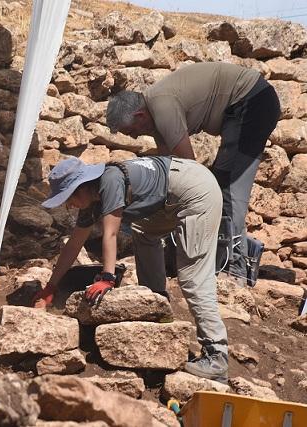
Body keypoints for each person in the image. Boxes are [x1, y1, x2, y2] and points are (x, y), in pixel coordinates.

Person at [34, 155, 228, 383]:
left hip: (196, 190)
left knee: (193, 275)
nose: (69, 205)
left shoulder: (110, 180)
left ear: (81, 187)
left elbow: (111, 233)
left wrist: (107, 278)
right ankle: (158, 310)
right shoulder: (92, 198)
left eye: (68, 198)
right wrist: (50, 287)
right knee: (143, 232)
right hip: (168, 197)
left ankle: (217, 356)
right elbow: (74, 244)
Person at [105, 62, 281, 284]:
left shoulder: (162, 107)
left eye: (131, 131)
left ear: (140, 115)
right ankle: (222, 260)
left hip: (252, 101)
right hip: (249, 102)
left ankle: (234, 270)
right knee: (218, 186)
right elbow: (169, 174)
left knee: (226, 187)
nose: (134, 138)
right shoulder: (155, 116)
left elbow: (190, 168)